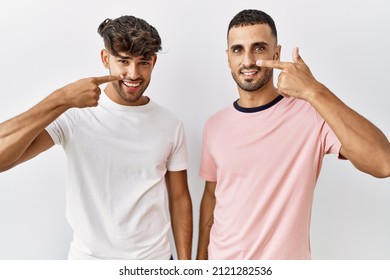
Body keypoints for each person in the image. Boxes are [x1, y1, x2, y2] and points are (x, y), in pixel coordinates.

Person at [196, 9, 390, 260]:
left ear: (276, 53)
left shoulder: (311, 114)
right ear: (228, 57)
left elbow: (383, 162)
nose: (247, 61)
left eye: (259, 48)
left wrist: (313, 91)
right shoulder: (215, 125)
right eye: (238, 50)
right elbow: (212, 196)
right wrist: (200, 264)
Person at [0, 15, 192, 260]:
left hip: (154, 262)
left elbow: (179, 198)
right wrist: (61, 99)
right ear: (105, 59)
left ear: (153, 62)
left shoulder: (170, 123)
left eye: (143, 63)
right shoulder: (74, 114)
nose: (133, 74)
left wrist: (186, 268)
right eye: (123, 61)